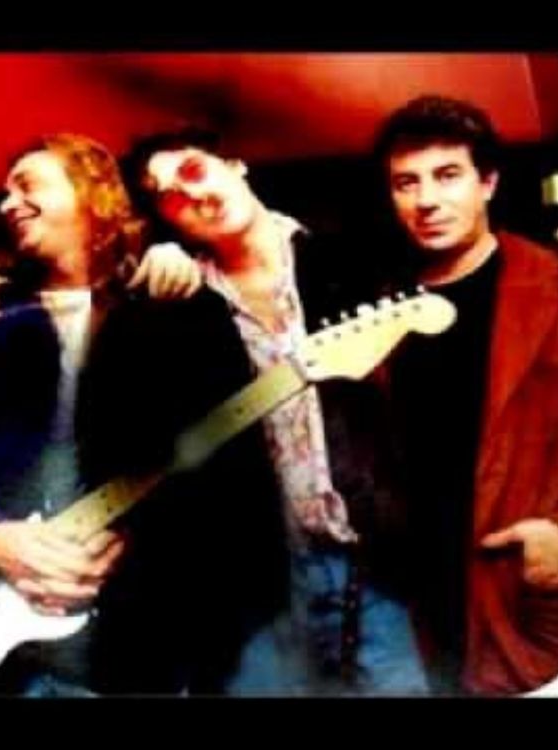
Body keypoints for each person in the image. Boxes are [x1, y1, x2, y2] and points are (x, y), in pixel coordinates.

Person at [0, 133, 291, 695]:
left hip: (139, 644)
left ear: (90, 192)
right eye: (5, 192)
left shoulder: (180, 309)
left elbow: (232, 481)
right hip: (0, 637)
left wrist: (138, 543)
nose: (8, 204)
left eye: (27, 185)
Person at [112, 128, 431, 695]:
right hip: (254, 594)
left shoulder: (349, 259)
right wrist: (142, 280)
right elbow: (137, 442)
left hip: (373, 570)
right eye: (168, 197)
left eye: (193, 170)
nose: (191, 195)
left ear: (235, 164)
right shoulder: (178, 306)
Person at [374, 94, 558, 694]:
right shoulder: (384, 304)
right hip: (420, 606)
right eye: (406, 183)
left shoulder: (557, 282)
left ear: (488, 182)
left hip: (531, 594)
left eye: (447, 175)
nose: (426, 200)